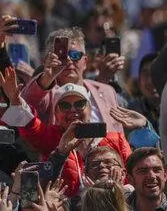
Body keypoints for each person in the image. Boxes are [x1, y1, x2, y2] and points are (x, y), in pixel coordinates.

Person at [0, 69, 131, 197]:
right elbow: (30, 124)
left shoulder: (116, 139)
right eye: (65, 106)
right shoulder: (52, 138)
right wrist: (16, 101)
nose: (73, 110)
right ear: (56, 114)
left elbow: (135, 175)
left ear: (90, 110)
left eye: (80, 104)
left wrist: (119, 191)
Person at [21, 27, 123, 131]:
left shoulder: (107, 91)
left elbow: (119, 135)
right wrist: (47, 77)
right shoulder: (46, 95)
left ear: (85, 62)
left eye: (75, 55)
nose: (69, 60)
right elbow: (25, 106)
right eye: (62, 56)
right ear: (49, 60)